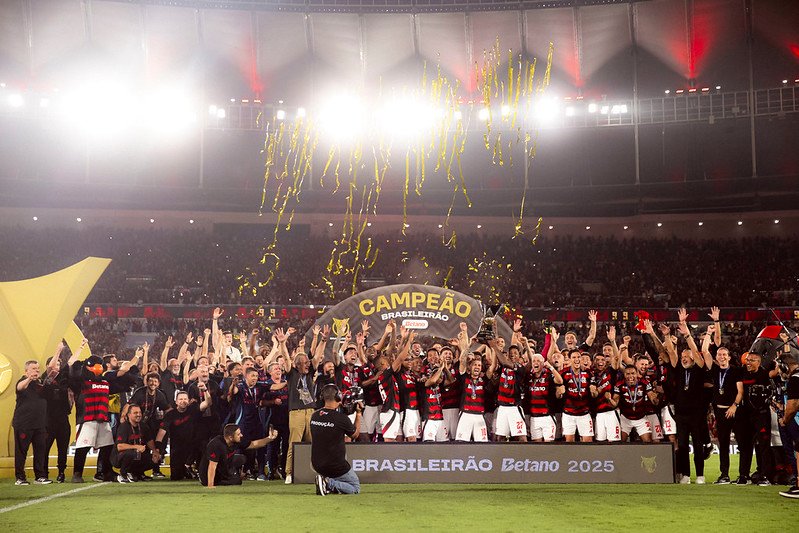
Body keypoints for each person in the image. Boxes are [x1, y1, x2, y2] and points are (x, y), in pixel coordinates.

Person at [311, 384, 362, 496]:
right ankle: (328, 483)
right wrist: (358, 414)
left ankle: (326, 484)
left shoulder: (314, 416)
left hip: (317, 465)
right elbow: (355, 435)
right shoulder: (341, 419)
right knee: (355, 488)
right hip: (336, 466)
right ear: (338, 397)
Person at [155, 389, 212, 480]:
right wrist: (157, 449)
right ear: (176, 401)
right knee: (176, 477)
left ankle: (194, 468)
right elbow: (161, 432)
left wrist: (205, 390)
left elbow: (208, 403)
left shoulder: (193, 410)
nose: (183, 401)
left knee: (203, 444)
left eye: (185, 399)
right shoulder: (170, 415)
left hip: (193, 447)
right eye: (180, 399)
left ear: (188, 401)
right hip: (177, 449)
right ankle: (187, 470)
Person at [13, 360, 53, 485]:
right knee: (21, 452)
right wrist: (29, 379)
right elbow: (20, 387)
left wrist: (58, 351)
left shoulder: (40, 383)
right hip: (24, 424)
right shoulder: (22, 381)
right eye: (34, 368)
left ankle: (39, 476)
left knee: (40, 451)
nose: (37, 370)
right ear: (26, 371)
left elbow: (51, 368)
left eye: (37, 368)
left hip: (40, 424)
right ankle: (20, 478)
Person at [200, 423, 277, 487]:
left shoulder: (237, 441)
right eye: (238, 434)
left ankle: (228, 476)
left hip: (222, 468)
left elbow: (253, 444)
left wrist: (270, 438)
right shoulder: (216, 444)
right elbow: (212, 466)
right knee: (234, 480)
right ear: (230, 437)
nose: (241, 435)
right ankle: (215, 481)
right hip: (206, 474)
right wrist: (210, 485)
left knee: (238, 475)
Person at [115, 404, 161, 483]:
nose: (139, 415)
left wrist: (155, 451)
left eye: (140, 412)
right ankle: (123, 474)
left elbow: (149, 441)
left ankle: (137, 474)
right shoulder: (123, 427)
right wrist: (136, 446)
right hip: (119, 457)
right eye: (135, 413)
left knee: (156, 459)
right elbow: (119, 446)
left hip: (136, 455)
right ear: (129, 415)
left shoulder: (143, 426)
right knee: (131, 453)